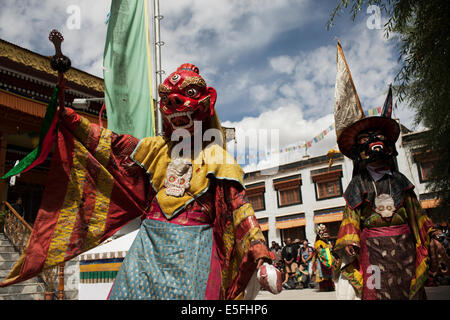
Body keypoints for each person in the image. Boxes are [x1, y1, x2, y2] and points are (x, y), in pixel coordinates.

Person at [0, 63, 281, 300]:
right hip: (148, 244)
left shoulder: (217, 156)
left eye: (187, 95)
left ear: (207, 103)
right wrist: (72, 118)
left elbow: (240, 208)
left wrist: (260, 254)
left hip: (194, 247)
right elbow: (111, 144)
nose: (173, 105)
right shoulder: (157, 148)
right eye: (168, 99)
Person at [332, 43, 436, 300]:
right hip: (372, 248)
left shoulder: (401, 181)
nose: (376, 146)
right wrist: (349, 242)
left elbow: (417, 214)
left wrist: (430, 234)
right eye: (369, 142)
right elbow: (350, 220)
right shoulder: (358, 186)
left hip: (405, 250)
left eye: (381, 140)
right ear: (360, 154)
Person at [312, 224, 336, 292]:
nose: (326, 237)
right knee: (322, 274)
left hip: (328, 260)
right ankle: (324, 287)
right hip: (321, 260)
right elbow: (319, 251)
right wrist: (327, 250)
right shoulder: (318, 242)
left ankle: (330, 286)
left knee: (329, 274)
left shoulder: (327, 242)